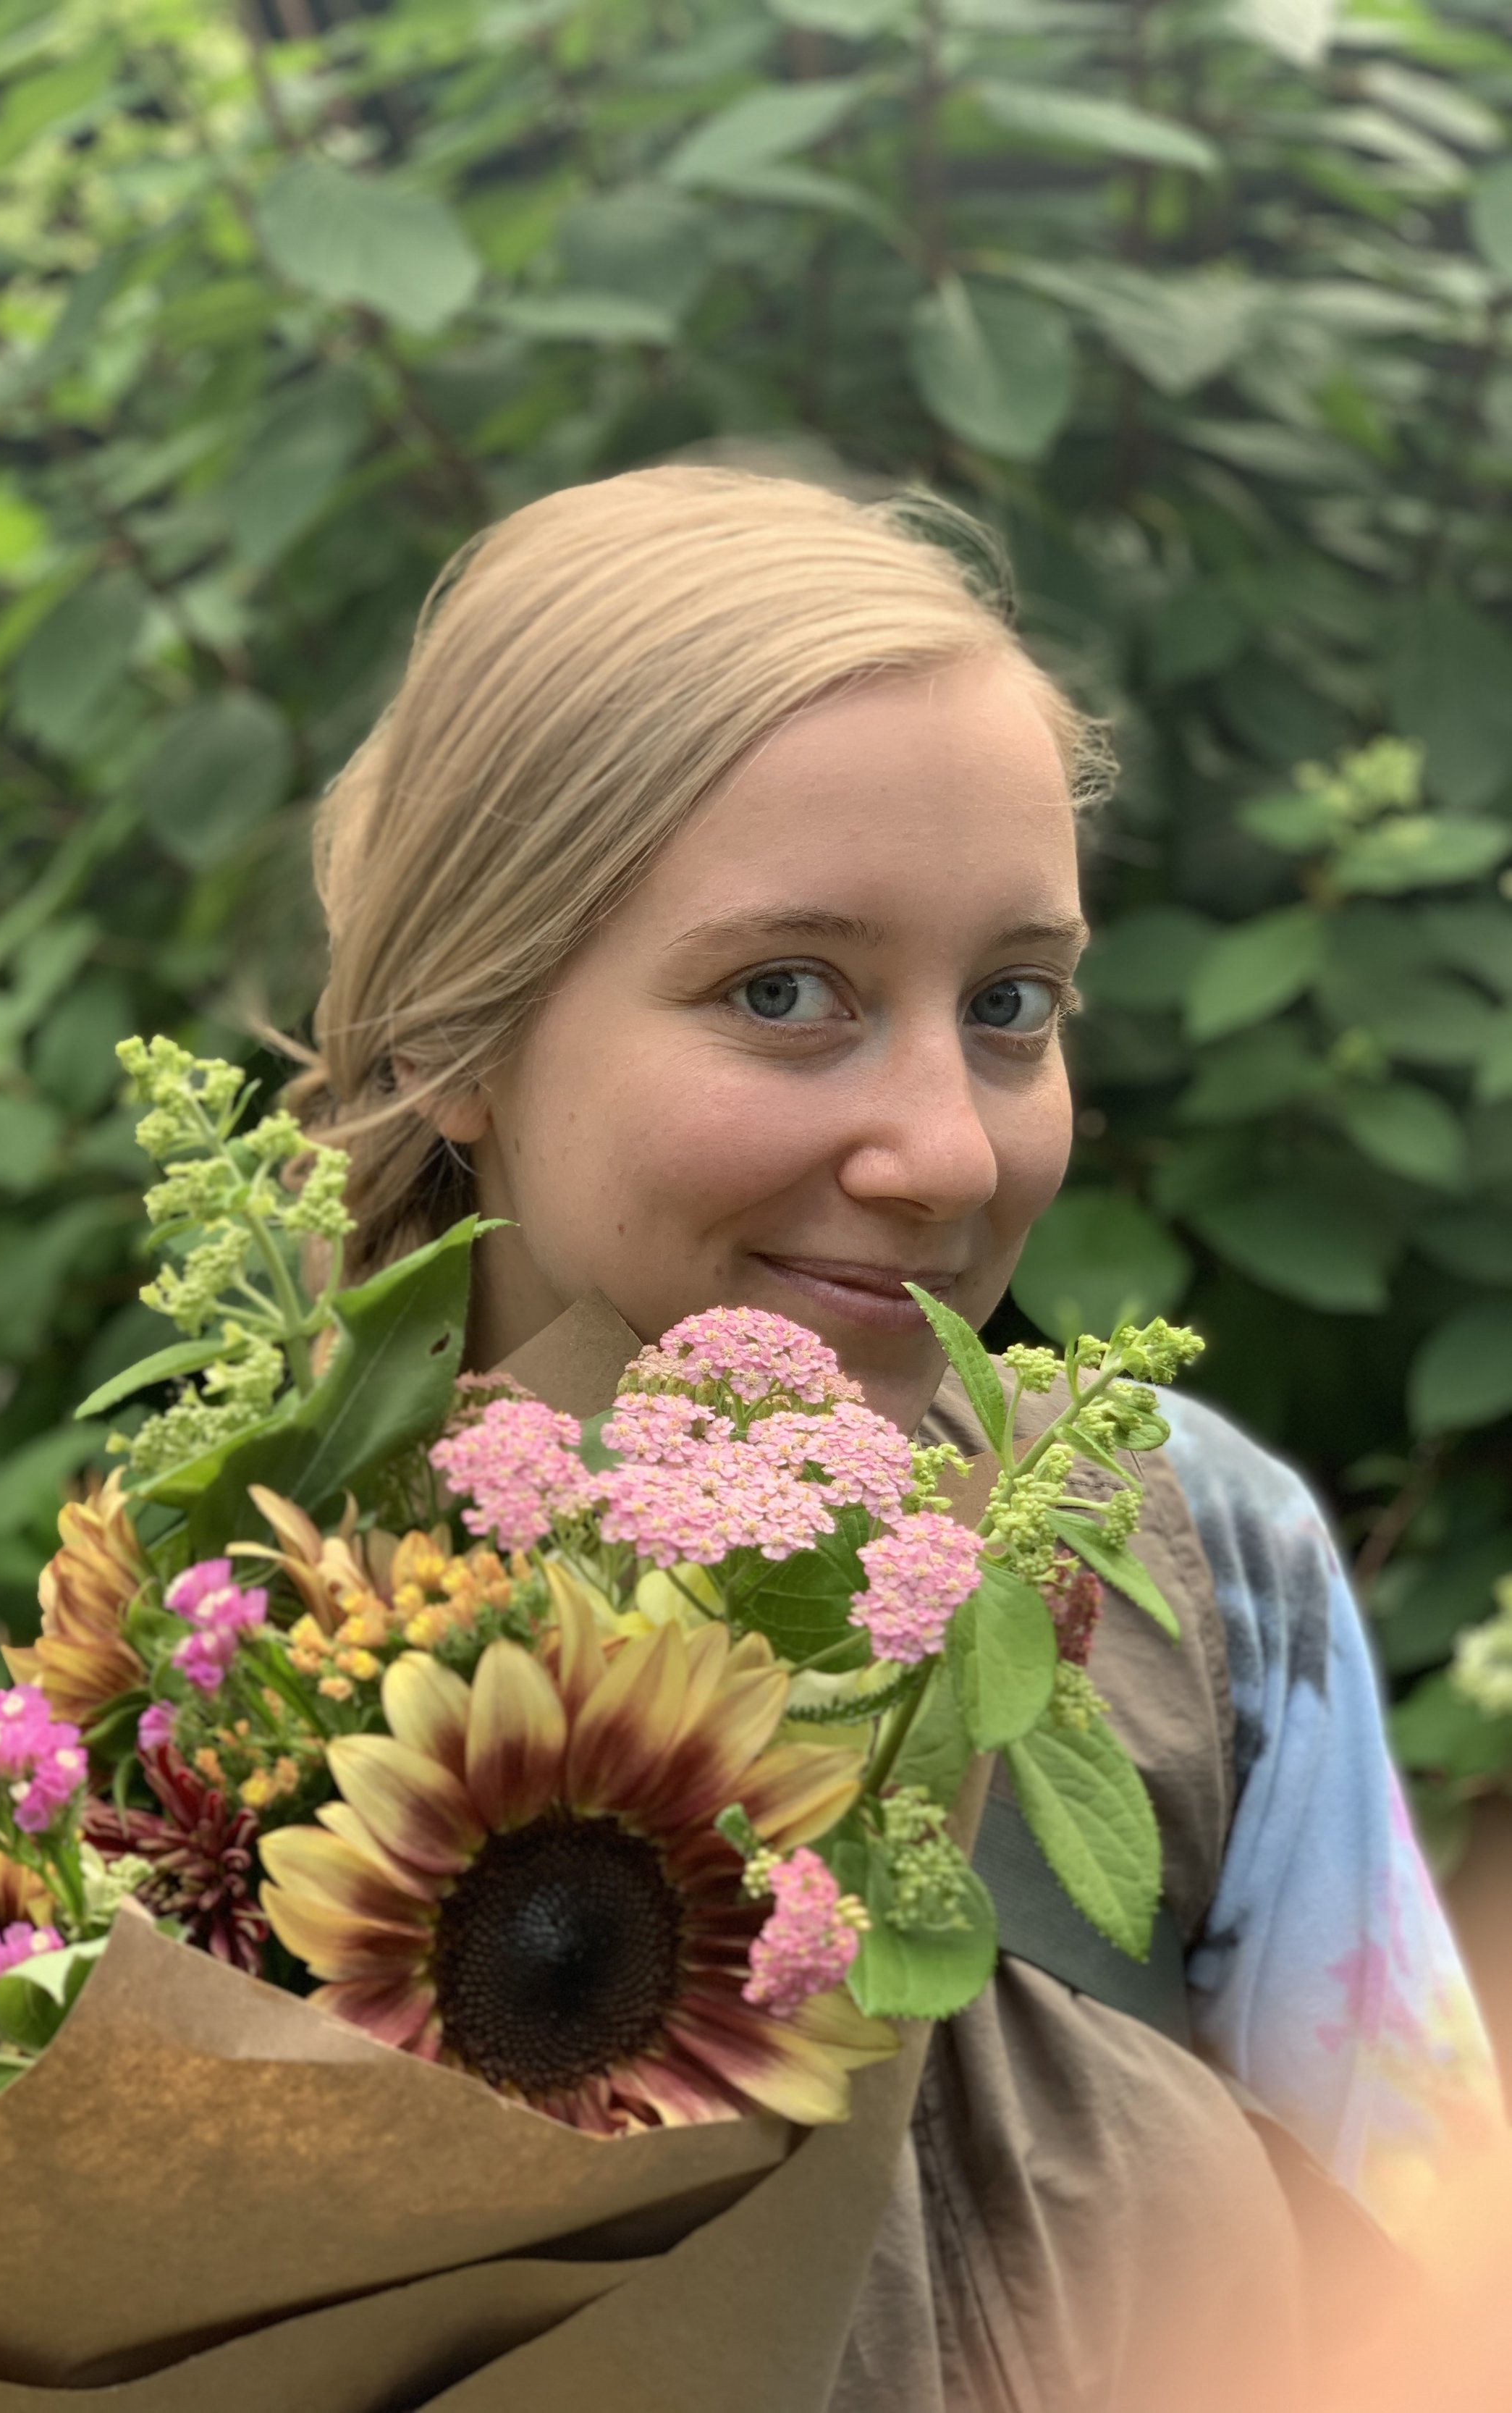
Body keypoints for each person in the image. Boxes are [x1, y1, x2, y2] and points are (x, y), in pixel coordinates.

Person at [271, 465, 1502, 2411]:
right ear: (453, 1034)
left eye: (1012, 1002)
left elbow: (1444, 2285)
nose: (945, 1151)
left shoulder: (1189, 1552)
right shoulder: (215, 1644)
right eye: (786, 993)